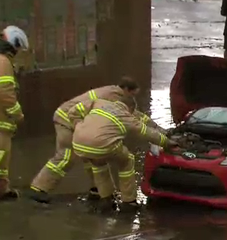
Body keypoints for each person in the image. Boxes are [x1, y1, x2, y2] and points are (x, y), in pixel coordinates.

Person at [28, 77, 164, 203]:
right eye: (133, 94)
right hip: (67, 120)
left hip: (74, 118)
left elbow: (133, 115)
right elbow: (132, 117)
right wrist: (159, 131)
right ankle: (39, 188)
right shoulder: (115, 97)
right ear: (127, 90)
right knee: (67, 156)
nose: (133, 98)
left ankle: (97, 189)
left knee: (90, 155)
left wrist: (156, 127)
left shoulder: (113, 91)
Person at [67, 96, 176, 212]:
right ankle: (129, 202)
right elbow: (147, 133)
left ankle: (106, 199)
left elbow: (72, 111)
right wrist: (167, 143)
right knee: (126, 161)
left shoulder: (100, 103)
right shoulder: (126, 116)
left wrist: (79, 126)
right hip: (102, 145)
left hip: (78, 143)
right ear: (130, 108)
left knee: (98, 165)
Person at [0, 26, 29, 201]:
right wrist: (18, 115)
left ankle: (3, 190)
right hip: (1, 122)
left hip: (3, 125)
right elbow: (5, 93)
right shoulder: (3, 62)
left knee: (2, 163)